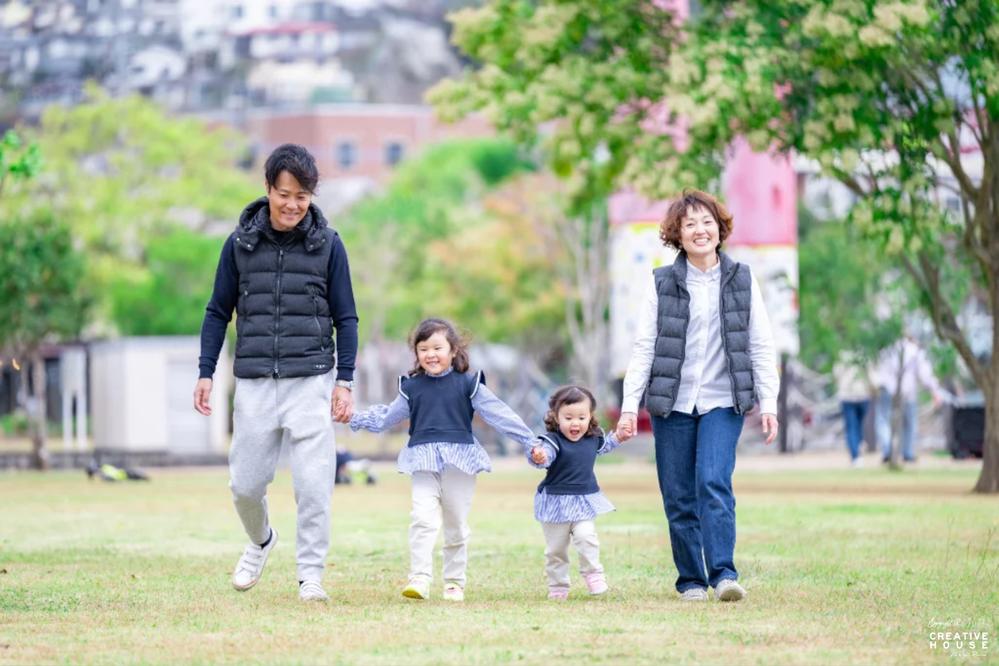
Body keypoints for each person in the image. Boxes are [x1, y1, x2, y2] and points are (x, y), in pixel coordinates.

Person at [193, 144, 359, 603]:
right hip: (254, 381)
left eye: (302, 196)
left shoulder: (329, 245)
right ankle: (261, 540)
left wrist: (345, 381)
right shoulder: (238, 245)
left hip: (312, 380)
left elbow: (346, 318)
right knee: (245, 484)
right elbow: (216, 312)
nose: (292, 204)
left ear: (312, 196)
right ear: (268, 189)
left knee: (313, 486)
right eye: (284, 193)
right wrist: (207, 372)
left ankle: (311, 575)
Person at [616, 189, 780, 603]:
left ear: (719, 228)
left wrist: (770, 402)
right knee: (678, 493)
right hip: (672, 401)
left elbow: (760, 343)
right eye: (689, 224)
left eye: (707, 222)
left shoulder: (741, 278)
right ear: (678, 234)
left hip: (724, 400)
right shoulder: (662, 282)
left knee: (712, 480)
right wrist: (629, 406)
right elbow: (645, 346)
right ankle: (690, 580)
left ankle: (724, 574)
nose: (700, 230)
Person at [349, 317, 535, 602]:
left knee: (456, 524)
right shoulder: (410, 388)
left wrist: (529, 441)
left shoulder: (468, 383)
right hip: (422, 461)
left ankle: (453, 582)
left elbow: (499, 414)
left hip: (459, 461)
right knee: (422, 518)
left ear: (453, 350)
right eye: (423, 349)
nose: (430, 354)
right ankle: (420, 578)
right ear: (416, 354)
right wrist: (354, 417)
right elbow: (387, 417)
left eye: (437, 347)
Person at [527, 386, 623, 600]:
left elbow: (604, 446)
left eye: (581, 417)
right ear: (556, 417)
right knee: (556, 551)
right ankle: (558, 585)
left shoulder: (593, 438)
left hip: (583, 501)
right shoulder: (552, 441)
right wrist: (540, 456)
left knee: (586, 536)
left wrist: (619, 437)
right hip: (555, 503)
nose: (575, 423)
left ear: (590, 417)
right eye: (568, 417)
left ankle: (593, 574)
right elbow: (547, 455)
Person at [873, 335, 944, 463]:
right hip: (908, 391)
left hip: (887, 390)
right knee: (909, 423)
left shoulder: (887, 350)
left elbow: (879, 373)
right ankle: (907, 452)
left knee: (884, 420)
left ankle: (888, 450)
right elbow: (925, 374)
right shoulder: (915, 351)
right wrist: (935, 390)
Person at [833, 352, 874, 468]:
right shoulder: (863, 354)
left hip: (853, 396)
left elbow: (836, 374)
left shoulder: (844, 355)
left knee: (854, 426)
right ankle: (856, 454)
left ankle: (856, 449)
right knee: (855, 426)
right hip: (857, 395)